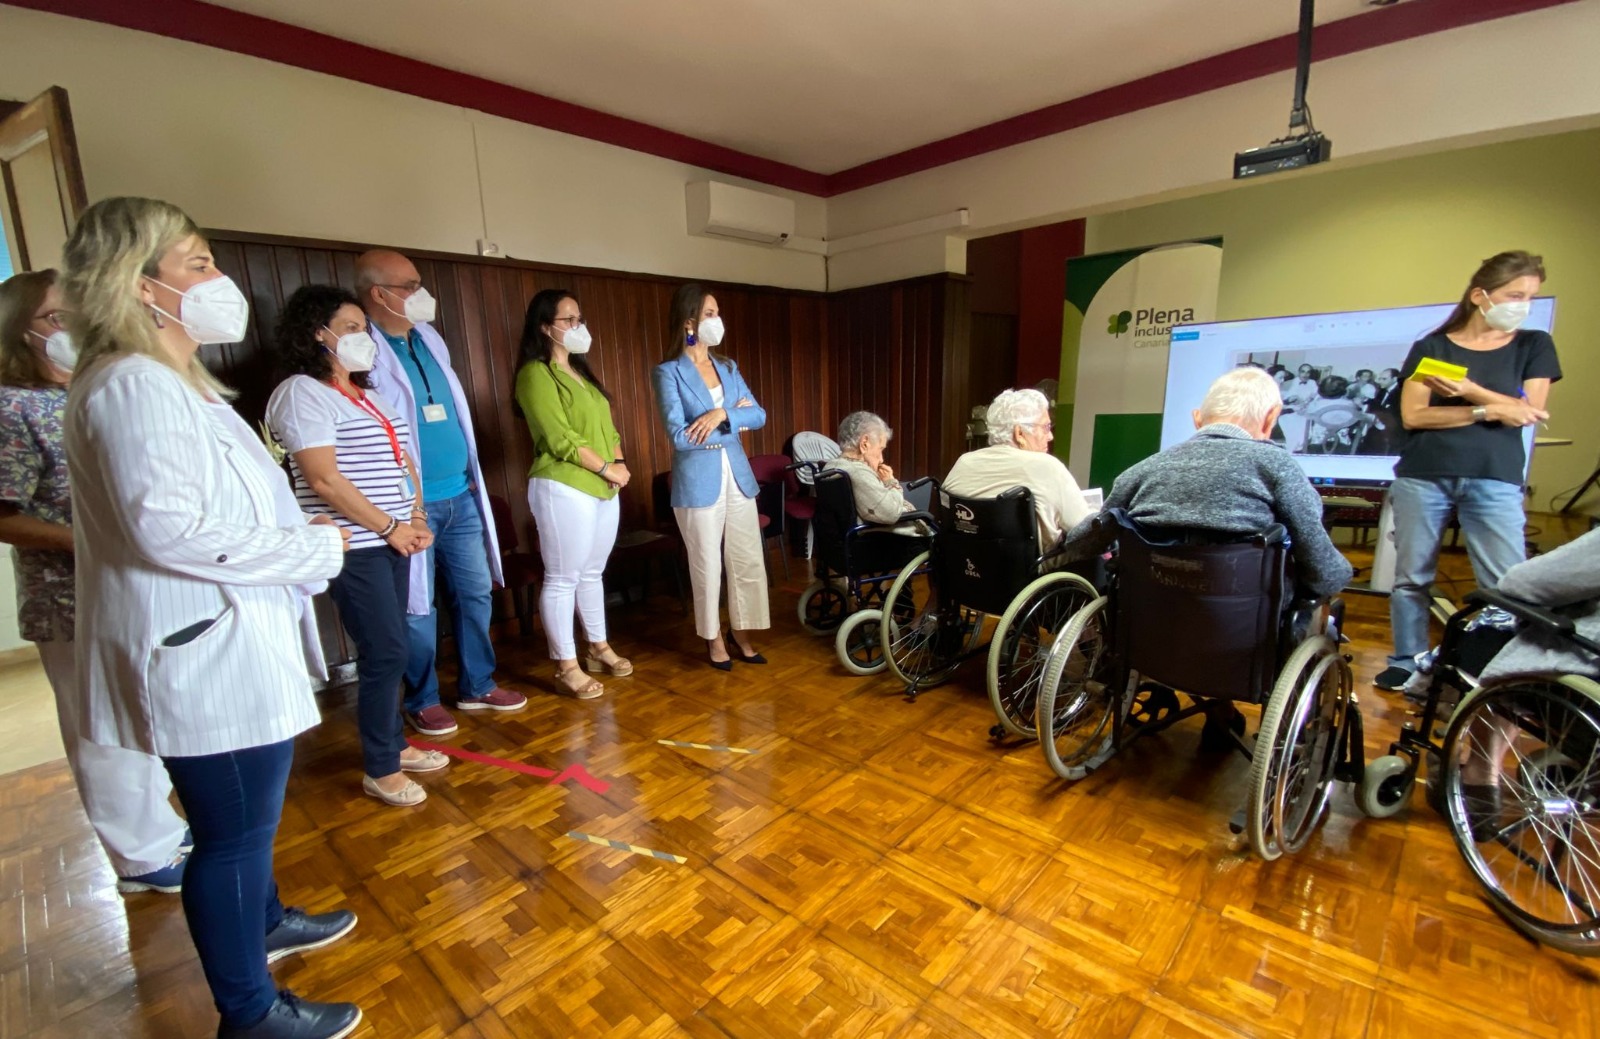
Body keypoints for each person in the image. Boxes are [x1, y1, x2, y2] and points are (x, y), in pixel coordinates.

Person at [61, 197, 360, 1038]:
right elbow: (170, 529)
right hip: (201, 649)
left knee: (246, 824)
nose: (218, 280)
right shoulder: (131, 385)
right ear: (137, 281)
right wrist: (308, 549)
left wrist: (298, 540)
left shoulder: (172, 381)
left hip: (227, 635)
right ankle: (250, 1011)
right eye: (196, 264)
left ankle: (260, 922)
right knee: (230, 834)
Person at [0, 269, 192, 893]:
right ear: (20, 330)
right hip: (69, 595)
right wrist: (91, 544)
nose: (72, 330)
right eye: (56, 317)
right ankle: (140, 855)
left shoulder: (89, 390)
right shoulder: (12, 406)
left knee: (142, 711)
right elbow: (6, 516)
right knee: (96, 723)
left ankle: (158, 819)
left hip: (133, 589)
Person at [267, 285, 450, 805]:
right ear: (315, 335)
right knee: (386, 649)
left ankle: (392, 745)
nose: (361, 338)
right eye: (349, 328)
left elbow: (404, 460)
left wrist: (412, 516)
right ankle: (380, 766)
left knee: (391, 648)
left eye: (363, 329)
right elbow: (324, 480)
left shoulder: (369, 395)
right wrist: (390, 526)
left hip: (391, 537)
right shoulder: (301, 392)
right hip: (355, 544)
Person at [357, 250, 526, 736]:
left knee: (475, 594)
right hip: (412, 504)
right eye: (409, 286)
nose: (420, 294)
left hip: (462, 493)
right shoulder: (362, 348)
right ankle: (423, 697)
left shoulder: (428, 338)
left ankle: (478, 684)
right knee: (418, 607)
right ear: (378, 293)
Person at [1375, 251, 1559, 691]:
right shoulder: (1432, 347)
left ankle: (1502, 665)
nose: (1523, 305)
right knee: (1411, 577)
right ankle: (1406, 659)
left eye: (1531, 297)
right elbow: (1416, 416)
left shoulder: (1533, 344)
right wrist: (1483, 410)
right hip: (1424, 472)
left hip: (1495, 475)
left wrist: (1469, 390)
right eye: (1515, 295)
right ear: (1480, 296)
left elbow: (1530, 412)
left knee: (1506, 583)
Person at [1062, 368, 1354, 600]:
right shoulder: (1278, 467)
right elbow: (1325, 572)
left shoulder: (1141, 471)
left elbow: (1083, 541)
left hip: (1149, 630)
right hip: (1245, 636)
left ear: (1197, 419)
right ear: (1271, 417)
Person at [513, 288, 632, 699]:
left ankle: (598, 646)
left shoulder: (583, 374)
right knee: (563, 577)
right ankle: (566, 664)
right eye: (569, 320)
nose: (579, 326)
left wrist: (619, 464)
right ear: (546, 327)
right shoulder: (535, 374)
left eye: (580, 318)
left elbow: (609, 429)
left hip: (603, 486)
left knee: (592, 573)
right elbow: (558, 438)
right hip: (563, 485)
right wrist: (606, 467)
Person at [652, 283, 769, 670]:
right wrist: (733, 420)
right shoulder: (668, 373)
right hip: (697, 482)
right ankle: (713, 637)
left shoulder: (729, 367)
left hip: (737, 476)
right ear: (689, 321)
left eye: (717, 313)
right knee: (706, 562)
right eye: (709, 314)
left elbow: (758, 415)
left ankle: (743, 630)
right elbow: (679, 437)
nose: (717, 321)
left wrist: (722, 415)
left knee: (747, 557)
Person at [942, 388, 1093, 554]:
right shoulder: (1047, 466)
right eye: (1046, 427)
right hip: (1028, 571)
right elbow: (1084, 529)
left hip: (964, 565)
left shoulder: (964, 462)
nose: (1050, 436)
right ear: (1019, 433)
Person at [822, 411, 926, 534]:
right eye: (880, 449)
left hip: (854, 542)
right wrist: (891, 482)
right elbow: (890, 513)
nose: (881, 459)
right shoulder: (858, 472)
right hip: (887, 542)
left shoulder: (829, 466)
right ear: (864, 443)